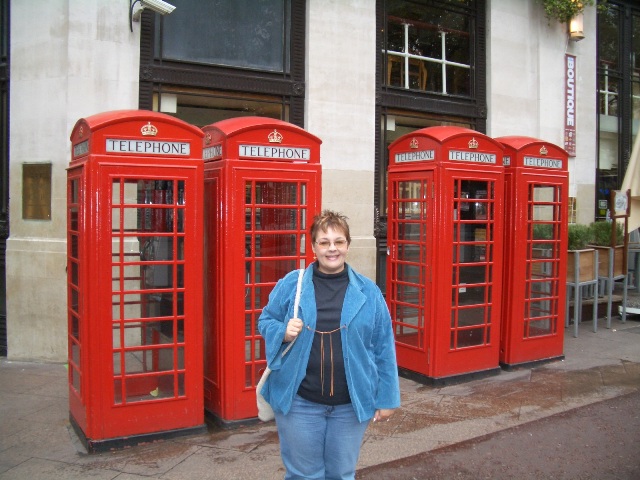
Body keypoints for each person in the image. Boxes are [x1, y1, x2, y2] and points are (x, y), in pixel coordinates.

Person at [258, 210, 401, 480]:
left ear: (347, 245)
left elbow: (383, 346)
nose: (331, 248)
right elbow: (266, 319)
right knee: (303, 474)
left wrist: (388, 398)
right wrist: (282, 332)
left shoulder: (368, 291)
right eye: (324, 242)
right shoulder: (293, 284)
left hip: (350, 404)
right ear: (313, 247)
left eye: (338, 241)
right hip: (300, 401)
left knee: (341, 473)